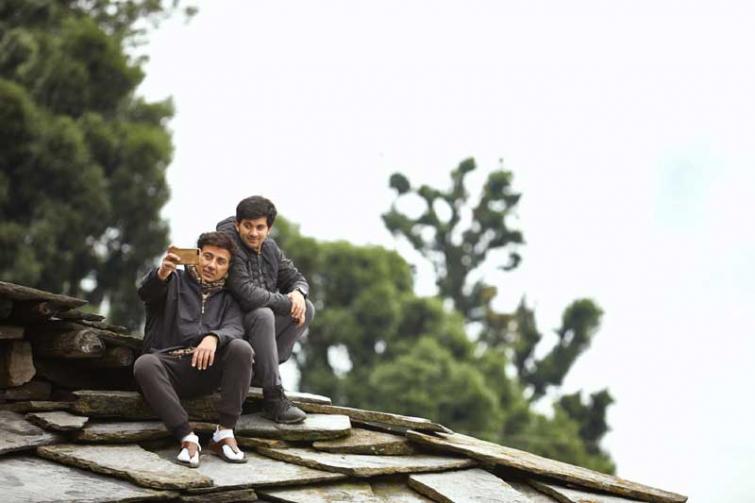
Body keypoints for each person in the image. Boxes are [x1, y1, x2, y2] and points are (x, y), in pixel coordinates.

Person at [133, 231, 253, 468]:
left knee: (242, 349)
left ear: (228, 268)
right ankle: (187, 437)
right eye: (207, 256)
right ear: (197, 255)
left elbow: (235, 328)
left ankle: (224, 433)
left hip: (207, 371)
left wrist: (213, 337)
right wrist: (162, 273)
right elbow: (145, 293)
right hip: (169, 368)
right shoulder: (172, 280)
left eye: (220, 261)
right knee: (144, 364)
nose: (211, 265)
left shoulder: (230, 298)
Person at [217, 196, 314, 424]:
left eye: (260, 227)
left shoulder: (270, 248)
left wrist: (299, 293)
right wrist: (289, 302)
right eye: (248, 226)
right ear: (237, 225)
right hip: (230, 328)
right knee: (263, 313)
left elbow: (296, 278)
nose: (253, 233)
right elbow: (247, 294)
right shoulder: (229, 245)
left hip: (260, 331)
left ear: (268, 229)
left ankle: (261, 375)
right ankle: (273, 397)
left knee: (307, 308)